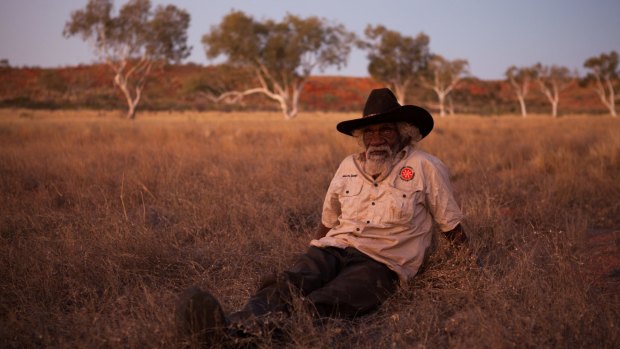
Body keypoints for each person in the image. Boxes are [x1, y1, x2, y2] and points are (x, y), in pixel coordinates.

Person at [175, 88, 468, 347]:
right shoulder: (348, 166)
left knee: (324, 303)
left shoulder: (424, 166)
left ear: (404, 132)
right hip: (333, 248)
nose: (376, 139)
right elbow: (328, 220)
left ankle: (249, 342)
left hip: (382, 262)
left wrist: (469, 272)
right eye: (370, 132)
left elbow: (450, 223)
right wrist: (311, 257)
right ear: (361, 136)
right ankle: (227, 329)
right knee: (285, 284)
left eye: (385, 130)